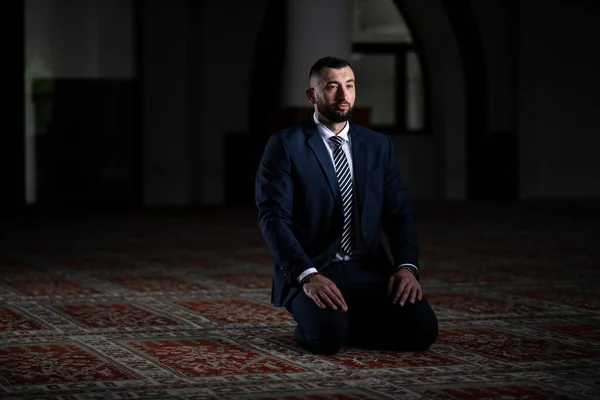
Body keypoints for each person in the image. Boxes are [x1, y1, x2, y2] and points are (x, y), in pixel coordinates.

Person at [255, 56, 438, 355]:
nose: (343, 95)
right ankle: (327, 321)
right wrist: (308, 276)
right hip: (315, 268)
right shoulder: (285, 145)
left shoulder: (378, 145)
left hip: (368, 268)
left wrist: (407, 267)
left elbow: (400, 213)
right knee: (328, 339)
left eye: (349, 86)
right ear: (312, 95)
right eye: (332, 87)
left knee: (422, 332)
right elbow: (273, 218)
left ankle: (353, 319)